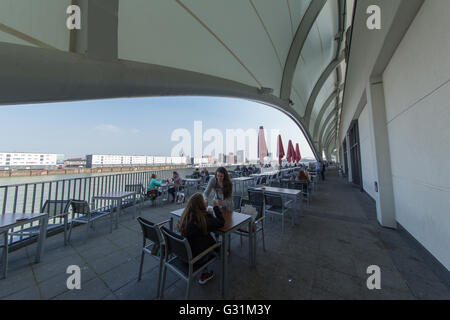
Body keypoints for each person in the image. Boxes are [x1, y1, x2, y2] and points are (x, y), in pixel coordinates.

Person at [178, 193, 224, 285]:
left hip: (183, 254)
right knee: (207, 236)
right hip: (196, 259)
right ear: (200, 205)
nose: (205, 201)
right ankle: (206, 271)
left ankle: (218, 250)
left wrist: (206, 212)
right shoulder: (202, 219)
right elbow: (221, 222)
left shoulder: (186, 216)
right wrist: (215, 207)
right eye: (203, 200)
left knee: (205, 235)